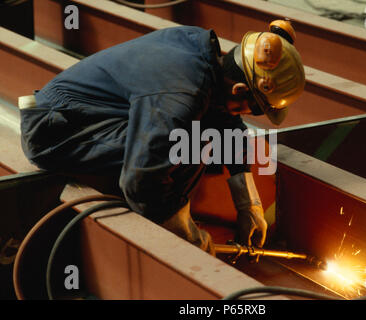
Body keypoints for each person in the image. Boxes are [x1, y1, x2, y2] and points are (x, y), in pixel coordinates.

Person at [18, 20, 305, 255]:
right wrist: (189, 239)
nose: (245, 115)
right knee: (192, 144)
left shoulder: (201, 50)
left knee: (202, 130)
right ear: (240, 89)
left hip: (73, 109)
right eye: (252, 108)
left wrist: (249, 205)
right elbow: (141, 181)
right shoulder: (181, 95)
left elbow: (227, 120)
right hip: (52, 129)